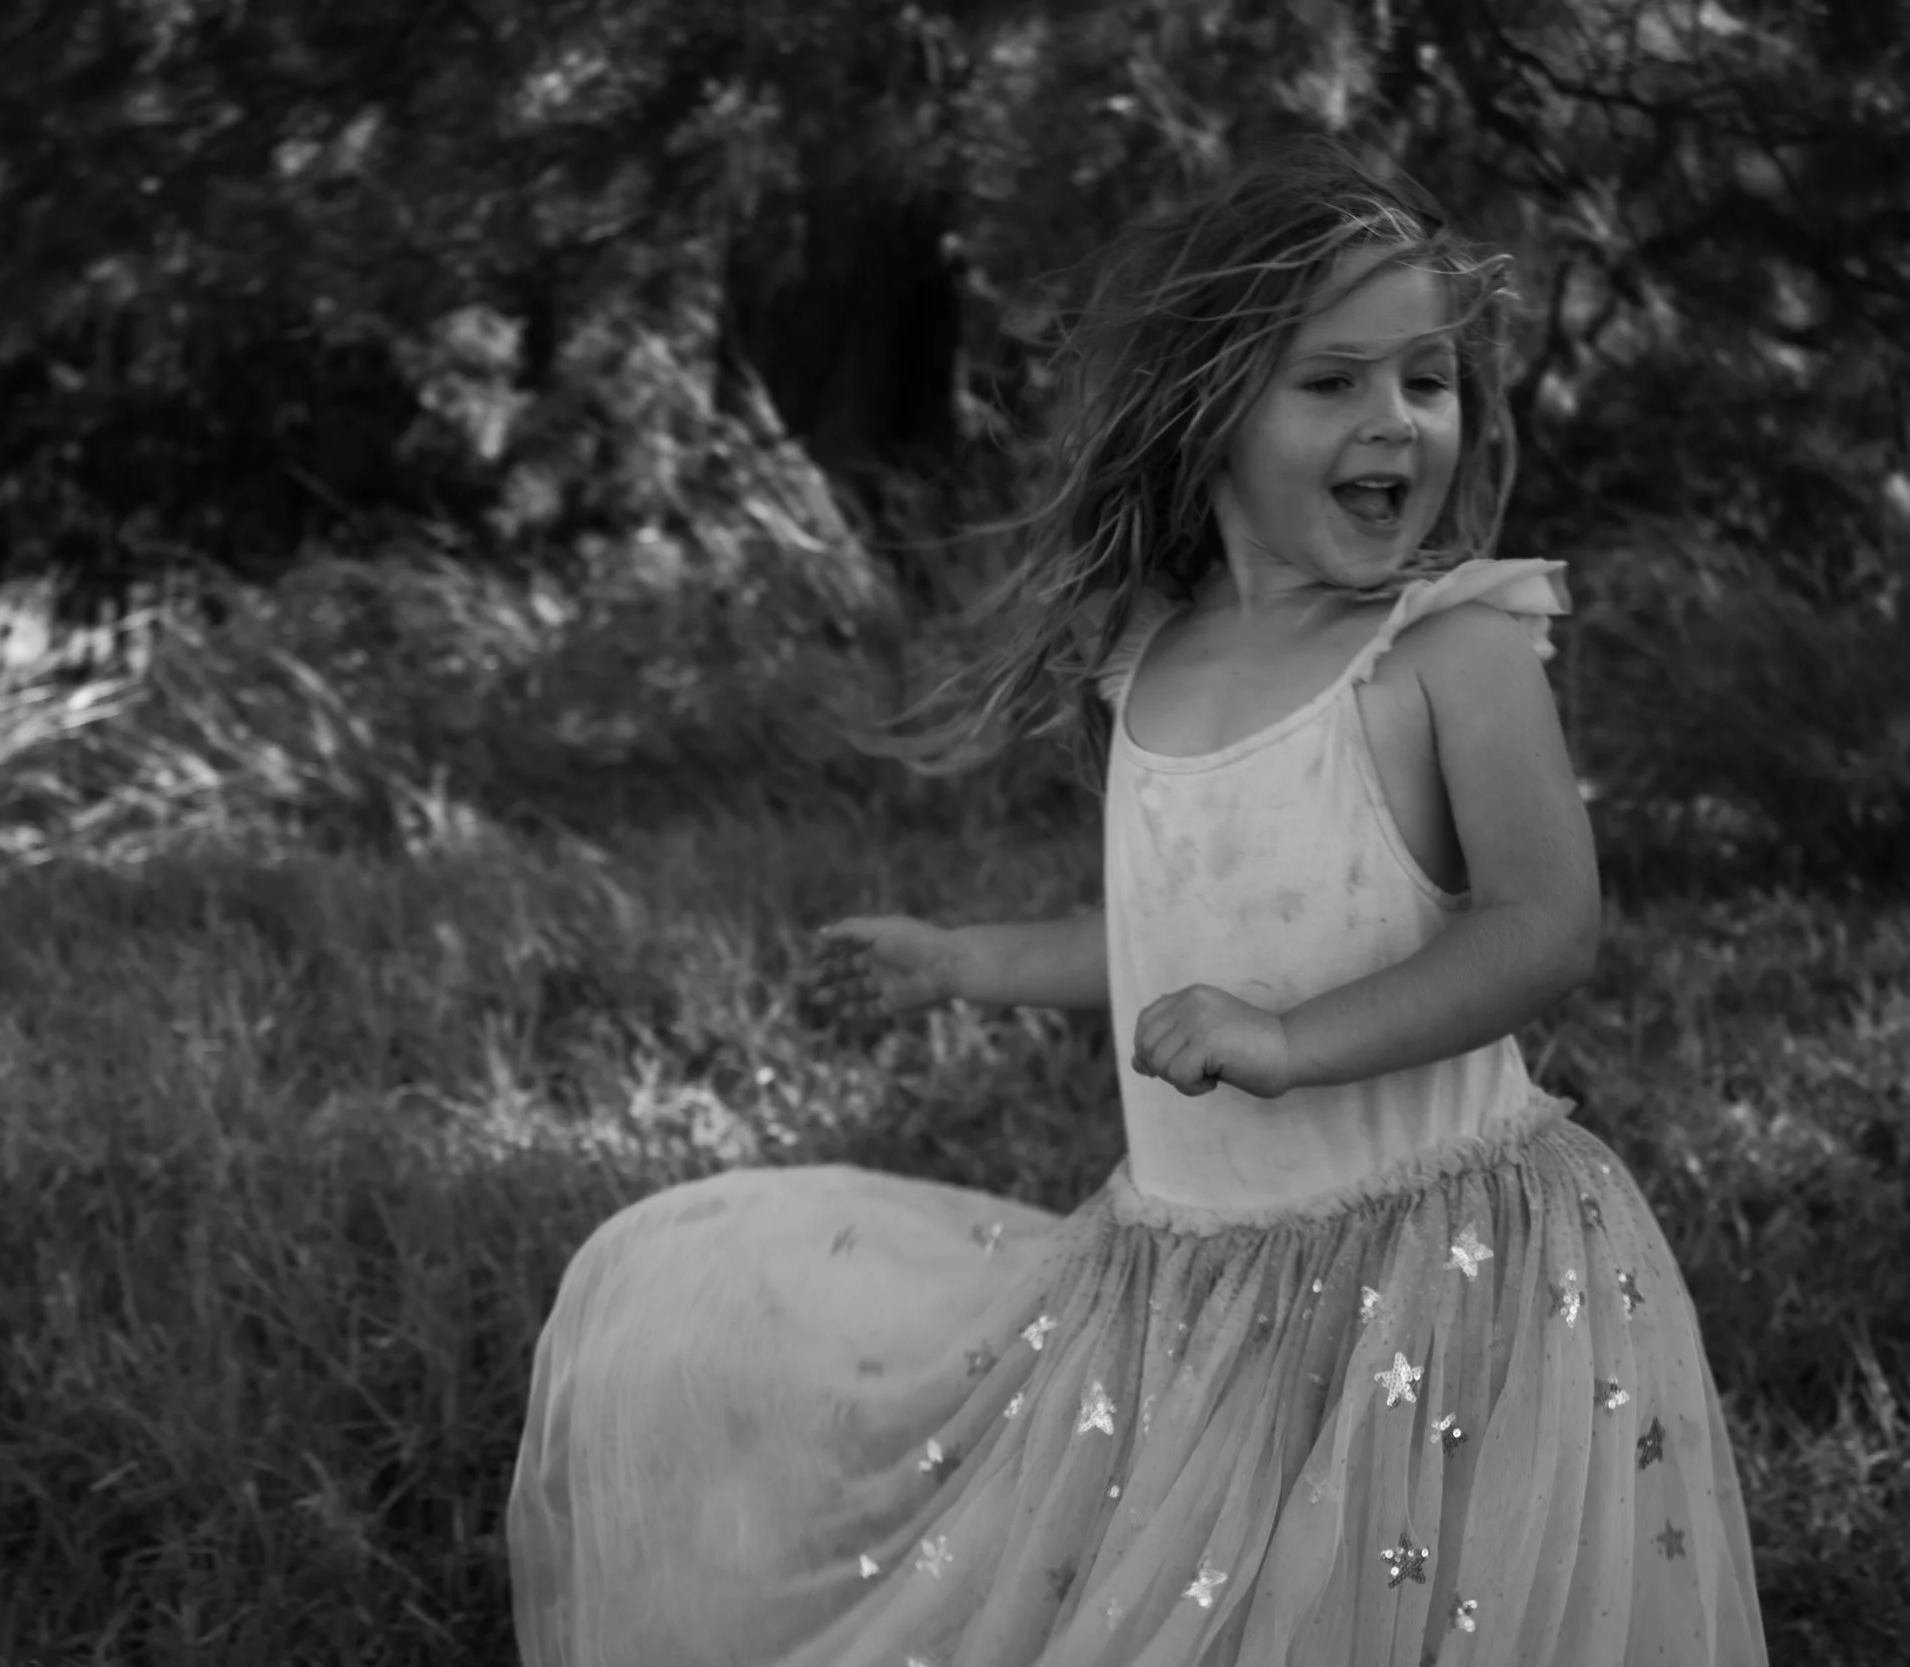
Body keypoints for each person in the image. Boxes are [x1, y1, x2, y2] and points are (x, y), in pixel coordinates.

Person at [505, 137, 1767, 1667]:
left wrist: (1296, 1039)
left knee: (1423, 1597)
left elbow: (1543, 926)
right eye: (1335, 383)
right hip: (1195, 1279)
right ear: (1213, 408)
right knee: (1225, 1588)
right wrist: (968, 960)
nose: (1395, 422)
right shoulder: (1153, 662)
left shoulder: (1451, 650)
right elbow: (1175, 949)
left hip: (1449, 1267)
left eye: (1425, 380)